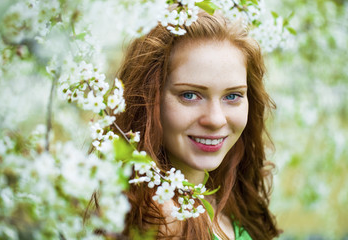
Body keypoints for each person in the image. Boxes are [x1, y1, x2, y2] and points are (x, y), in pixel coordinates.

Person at [115, 11, 281, 240]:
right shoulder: (162, 222)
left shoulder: (228, 198)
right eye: (190, 95)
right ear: (147, 99)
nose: (215, 119)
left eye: (232, 96)